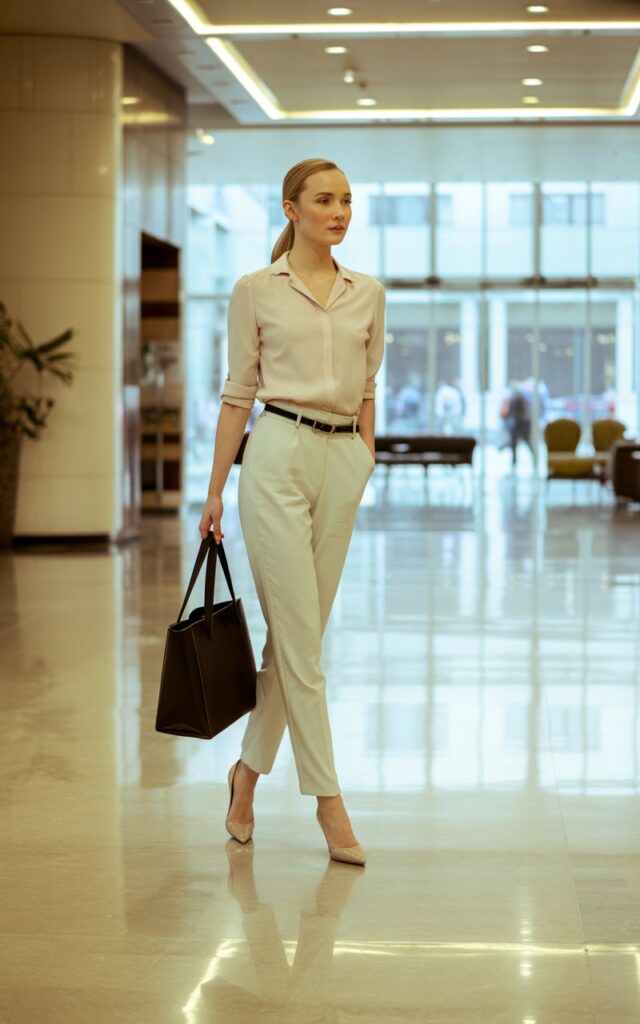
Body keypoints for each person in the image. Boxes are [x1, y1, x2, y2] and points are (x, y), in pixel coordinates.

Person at [198, 158, 385, 867]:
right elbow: (236, 394)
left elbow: (369, 383)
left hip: (342, 461)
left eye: (346, 200)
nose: (339, 211)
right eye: (324, 200)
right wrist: (216, 490)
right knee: (303, 646)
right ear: (291, 209)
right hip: (275, 455)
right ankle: (327, 801)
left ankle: (244, 777)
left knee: (292, 645)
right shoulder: (256, 291)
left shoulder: (368, 293)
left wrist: (363, 457)